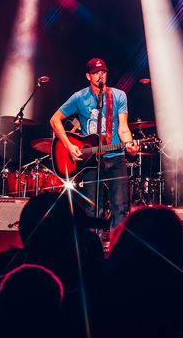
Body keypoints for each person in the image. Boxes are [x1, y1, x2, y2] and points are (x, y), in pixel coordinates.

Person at [49, 58, 139, 229]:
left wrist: (129, 144)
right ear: (88, 76)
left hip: (116, 158)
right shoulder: (79, 97)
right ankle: (92, 249)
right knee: (92, 209)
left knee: (120, 208)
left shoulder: (119, 96)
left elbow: (123, 128)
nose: (100, 76)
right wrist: (69, 145)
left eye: (103, 72)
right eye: (96, 73)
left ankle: (116, 248)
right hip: (90, 162)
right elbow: (54, 120)